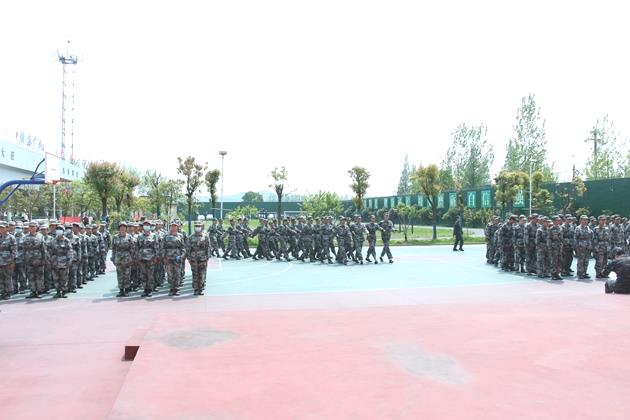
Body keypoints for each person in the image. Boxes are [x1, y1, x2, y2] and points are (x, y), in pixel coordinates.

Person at [111, 221, 135, 297]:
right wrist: (113, 258)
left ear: (126, 228)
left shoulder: (129, 237)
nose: (122, 228)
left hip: (127, 258)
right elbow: (113, 248)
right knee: (120, 275)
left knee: (127, 274)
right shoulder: (115, 237)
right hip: (118, 258)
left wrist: (132, 258)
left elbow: (132, 248)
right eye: (121, 227)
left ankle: (127, 290)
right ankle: (121, 290)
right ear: (119, 228)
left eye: (124, 227)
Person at [162, 221, 186, 296]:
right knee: (170, 274)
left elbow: (183, 247)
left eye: (175, 226)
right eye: (172, 226)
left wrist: (182, 255)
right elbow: (163, 247)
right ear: (170, 227)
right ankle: (171, 288)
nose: (174, 227)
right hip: (169, 257)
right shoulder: (166, 236)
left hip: (177, 258)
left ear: (177, 227)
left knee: (177, 273)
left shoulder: (180, 236)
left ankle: (176, 289)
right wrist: (164, 257)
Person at [187, 221, 210, 295]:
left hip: (202, 258)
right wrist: (189, 259)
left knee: (202, 274)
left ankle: (201, 288)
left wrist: (207, 258)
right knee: (195, 274)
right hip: (194, 259)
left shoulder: (205, 237)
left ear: (202, 227)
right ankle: (196, 289)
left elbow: (208, 248)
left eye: (199, 226)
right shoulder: (190, 237)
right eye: (196, 226)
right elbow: (188, 249)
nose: (198, 227)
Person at [0, 221, 17, 300]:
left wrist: (12, 262)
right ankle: (2, 292)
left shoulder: (11, 237)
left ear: (6, 228)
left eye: (2, 228)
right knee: (1, 278)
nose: (1, 229)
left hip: (7, 261)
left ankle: (8, 293)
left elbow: (14, 251)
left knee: (7, 278)